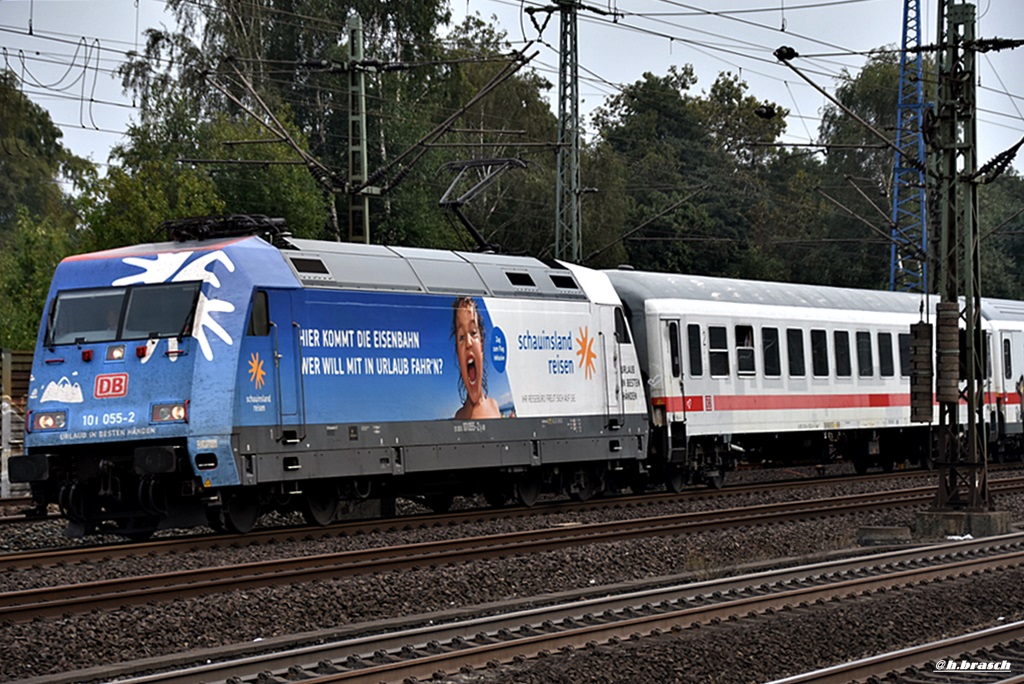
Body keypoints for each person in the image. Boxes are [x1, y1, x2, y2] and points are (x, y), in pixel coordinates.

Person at [451, 297, 500, 419]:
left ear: (482, 346)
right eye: (461, 337)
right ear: (458, 353)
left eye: (473, 333)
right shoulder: (459, 417)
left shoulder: (494, 406)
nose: (468, 343)